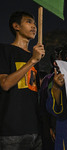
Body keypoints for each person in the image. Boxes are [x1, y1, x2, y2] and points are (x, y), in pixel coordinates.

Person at [0, 11, 45, 149]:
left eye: (35, 24)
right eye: (29, 22)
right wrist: (32, 60)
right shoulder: (4, 50)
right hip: (12, 131)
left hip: (35, 130)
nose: (34, 27)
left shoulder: (35, 57)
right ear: (16, 26)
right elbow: (5, 84)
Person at [39, 46, 64, 150]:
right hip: (56, 127)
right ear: (55, 63)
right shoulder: (49, 80)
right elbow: (46, 105)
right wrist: (51, 127)